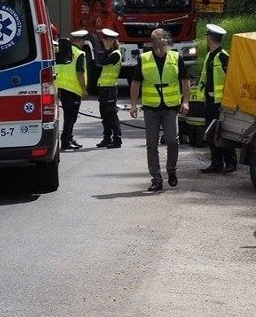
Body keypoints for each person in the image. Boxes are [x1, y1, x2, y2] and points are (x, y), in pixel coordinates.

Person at [129, 28, 190, 191]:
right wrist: (133, 104)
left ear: (165, 41)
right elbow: (136, 83)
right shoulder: (144, 58)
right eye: (153, 40)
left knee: (172, 140)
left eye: (159, 40)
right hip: (151, 108)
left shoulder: (176, 57)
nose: (156, 44)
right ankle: (156, 179)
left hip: (170, 107)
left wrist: (186, 101)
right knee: (152, 145)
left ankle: (171, 171)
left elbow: (185, 80)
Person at [198, 23, 237, 173]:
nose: (207, 39)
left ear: (211, 38)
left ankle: (230, 163)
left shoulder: (223, 57)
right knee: (211, 133)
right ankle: (216, 163)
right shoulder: (209, 56)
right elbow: (204, 77)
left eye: (208, 36)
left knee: (223, 133)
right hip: (209, 102)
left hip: (220, 103)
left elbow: (231, 80)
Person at [56, 29, 89, 150]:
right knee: (71, 117)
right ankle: (66, 140)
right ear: (81, 41)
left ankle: (69, 137)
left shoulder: (62, 51)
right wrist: (84, 89)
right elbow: (80, 72)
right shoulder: (80, 54)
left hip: (62, 88)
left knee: (68, 116)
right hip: (73, 89)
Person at [95, 28, 123, 148]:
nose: (104, 42)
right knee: (104, 116)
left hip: (110, 89)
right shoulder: (110, 52)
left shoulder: (115, 54)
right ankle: (106, 138)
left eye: (106, 40)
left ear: (112, 41)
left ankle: (117, 139)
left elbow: (102, 62)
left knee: (111, 115)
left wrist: (103, 50)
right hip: (104, 88)